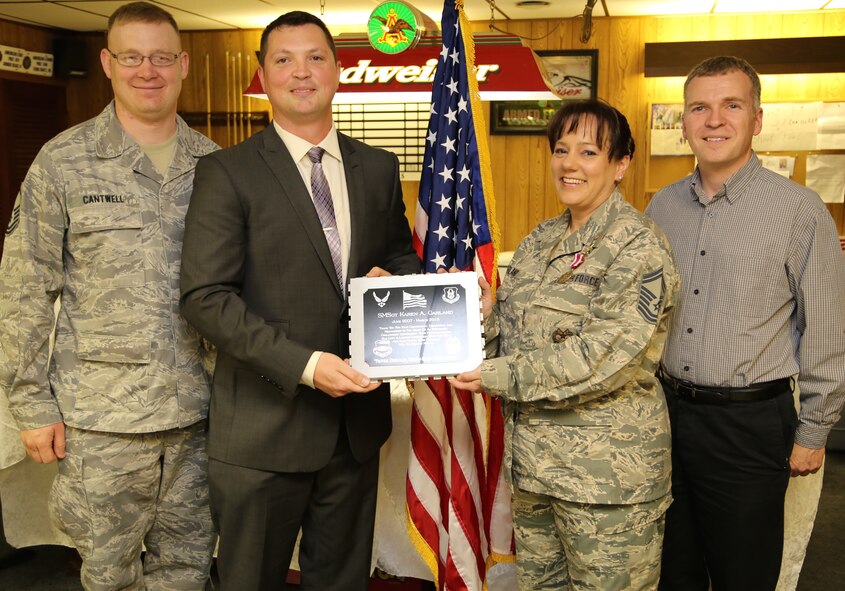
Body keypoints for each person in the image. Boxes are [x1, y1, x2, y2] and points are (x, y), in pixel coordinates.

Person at [179, 10, 419, 591]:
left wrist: (398, 277)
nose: (301, 72)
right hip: (264, 432)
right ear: (263, 75)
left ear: (339, 70)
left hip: (355, 432)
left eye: (315, 57)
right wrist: (307, 367)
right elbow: (205, 297)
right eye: (283, 60)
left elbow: (401, 254)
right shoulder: (226, 172)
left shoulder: (378, 168)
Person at [0, 2, 218, 589]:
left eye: (162, 57)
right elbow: (24, 288)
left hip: (200, 416)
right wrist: (32, 405)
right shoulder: (63, 162)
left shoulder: (217, 167)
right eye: (132, 56)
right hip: (102, 421)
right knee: (108, 573)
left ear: (184, 64)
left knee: (188, 570)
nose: (148, 70)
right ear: (107, 63)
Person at [450, 100, 679, 590]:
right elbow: (510, 341)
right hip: (535, 473)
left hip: (606, 484)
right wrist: (482, 317)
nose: (569, 164)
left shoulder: (637, 246)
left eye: (589, 151)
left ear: (620, 166)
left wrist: (496, 376)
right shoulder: (540, 242)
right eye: (560, 149)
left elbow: (602, 359)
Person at [646, 56, 845, 591]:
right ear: (683, 121)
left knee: (743, 575)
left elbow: (826, 328)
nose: (714, 120)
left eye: (731, 105)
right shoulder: (661, 208)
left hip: (749, 426)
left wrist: (815, 429)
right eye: (700, 108)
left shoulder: (800, 211)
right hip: (664, 418)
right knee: (671, 571)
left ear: (757, 119)